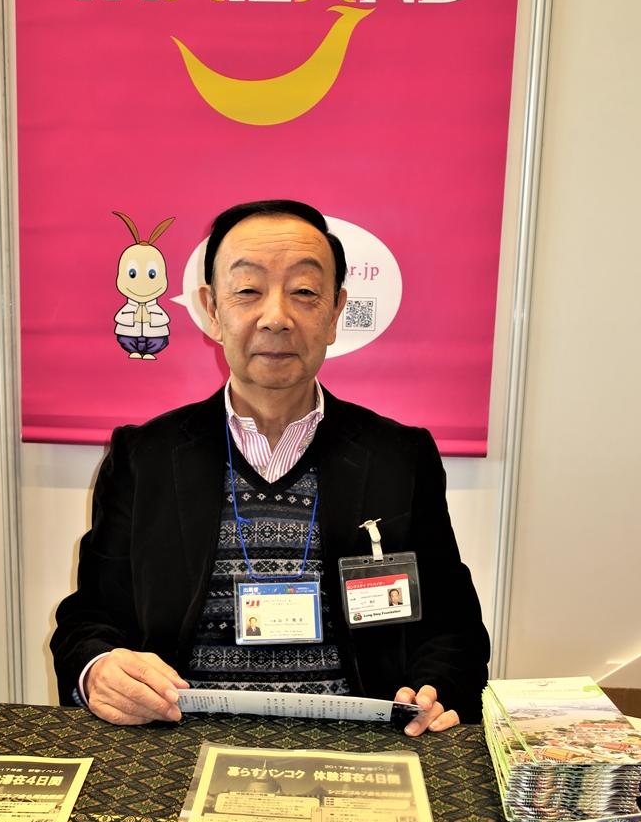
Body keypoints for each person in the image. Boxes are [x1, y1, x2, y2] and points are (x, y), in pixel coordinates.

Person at [51, 199, 490, 735]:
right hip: (177, 743)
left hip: (357, 748)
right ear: (212, 310)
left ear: (335, 312)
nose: (277, 317)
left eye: (304, 291)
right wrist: (99, 670)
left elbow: (453, 627)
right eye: (248, 290)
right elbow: (89, 618)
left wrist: (438, 689)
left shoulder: (399, 456)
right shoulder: (146, 457)